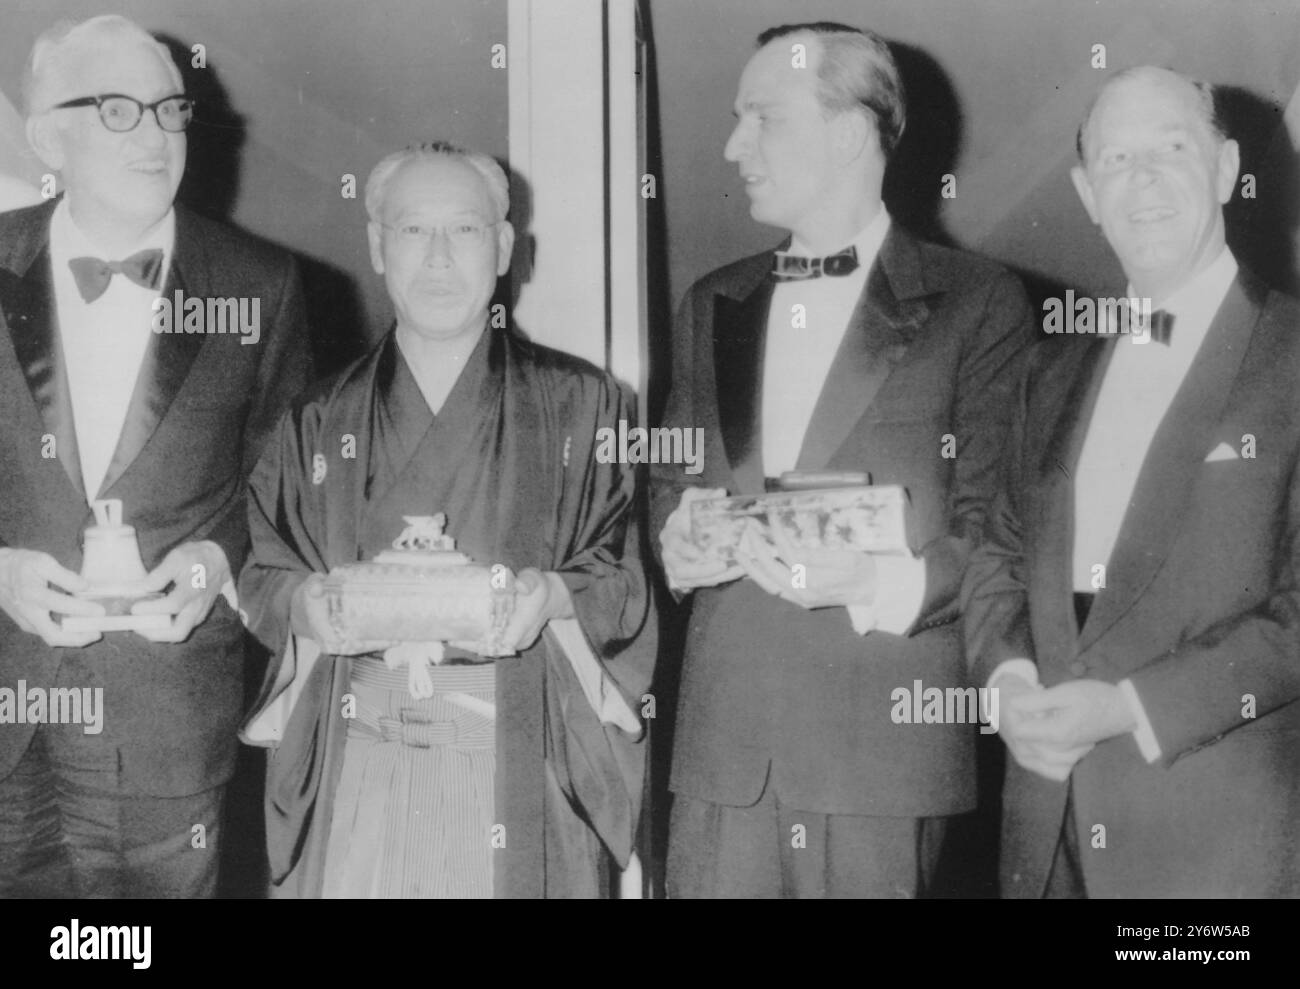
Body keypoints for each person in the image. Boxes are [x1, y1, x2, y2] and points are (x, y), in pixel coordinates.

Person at [651, 21, 1033, 898]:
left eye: (762, 118)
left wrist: (870, 583)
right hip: (722, 760)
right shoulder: (713, 299)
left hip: (879, 762)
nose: (731, 145)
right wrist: (676, 540)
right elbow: (669, 483)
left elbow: (994, 530)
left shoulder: (980, 303)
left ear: (851, 132)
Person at [238, 141, 655, 898]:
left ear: (502, 247)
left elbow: (624, 573)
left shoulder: (584, 404)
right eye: (411, 231)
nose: (437, 258)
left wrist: (553, 596)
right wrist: (311, 606)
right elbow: (262, 572)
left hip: (519, 745)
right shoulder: (315, 416)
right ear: (376, 245)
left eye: (463, 230)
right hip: (357, 743)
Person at [963, 65, 1300, 898]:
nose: (1141, 179)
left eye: (1171, 149)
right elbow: (997, 550)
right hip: (1042, 841)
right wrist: (1006, 682)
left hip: (1217, 854)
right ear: (1085, 191)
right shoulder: (1050, 370)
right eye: (1115, 160)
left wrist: (1128, 708)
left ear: (1225, 171)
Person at [0, 14, 311, 897]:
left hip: (167, 724)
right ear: (44, 133)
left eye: (169, 108)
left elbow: (287, 489)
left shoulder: (260, 283)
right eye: (117, 109)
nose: (157, 133)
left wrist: (216, 563)